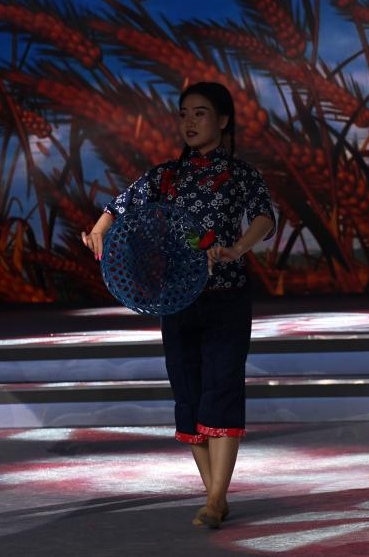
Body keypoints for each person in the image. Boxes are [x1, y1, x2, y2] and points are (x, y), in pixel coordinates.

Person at [83, 82, 275, 529]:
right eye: (184, 113)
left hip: (227, 296)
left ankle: (216, 498)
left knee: (222, 389)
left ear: (223, 121)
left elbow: (264, 217)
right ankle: (214, 496)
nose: (189, 122)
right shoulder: (164, 176)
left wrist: (237, 248)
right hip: (176, 300)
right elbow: (118, 206)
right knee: (188, 395)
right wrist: (98, 230)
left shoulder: (241, 174)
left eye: (200, 113)